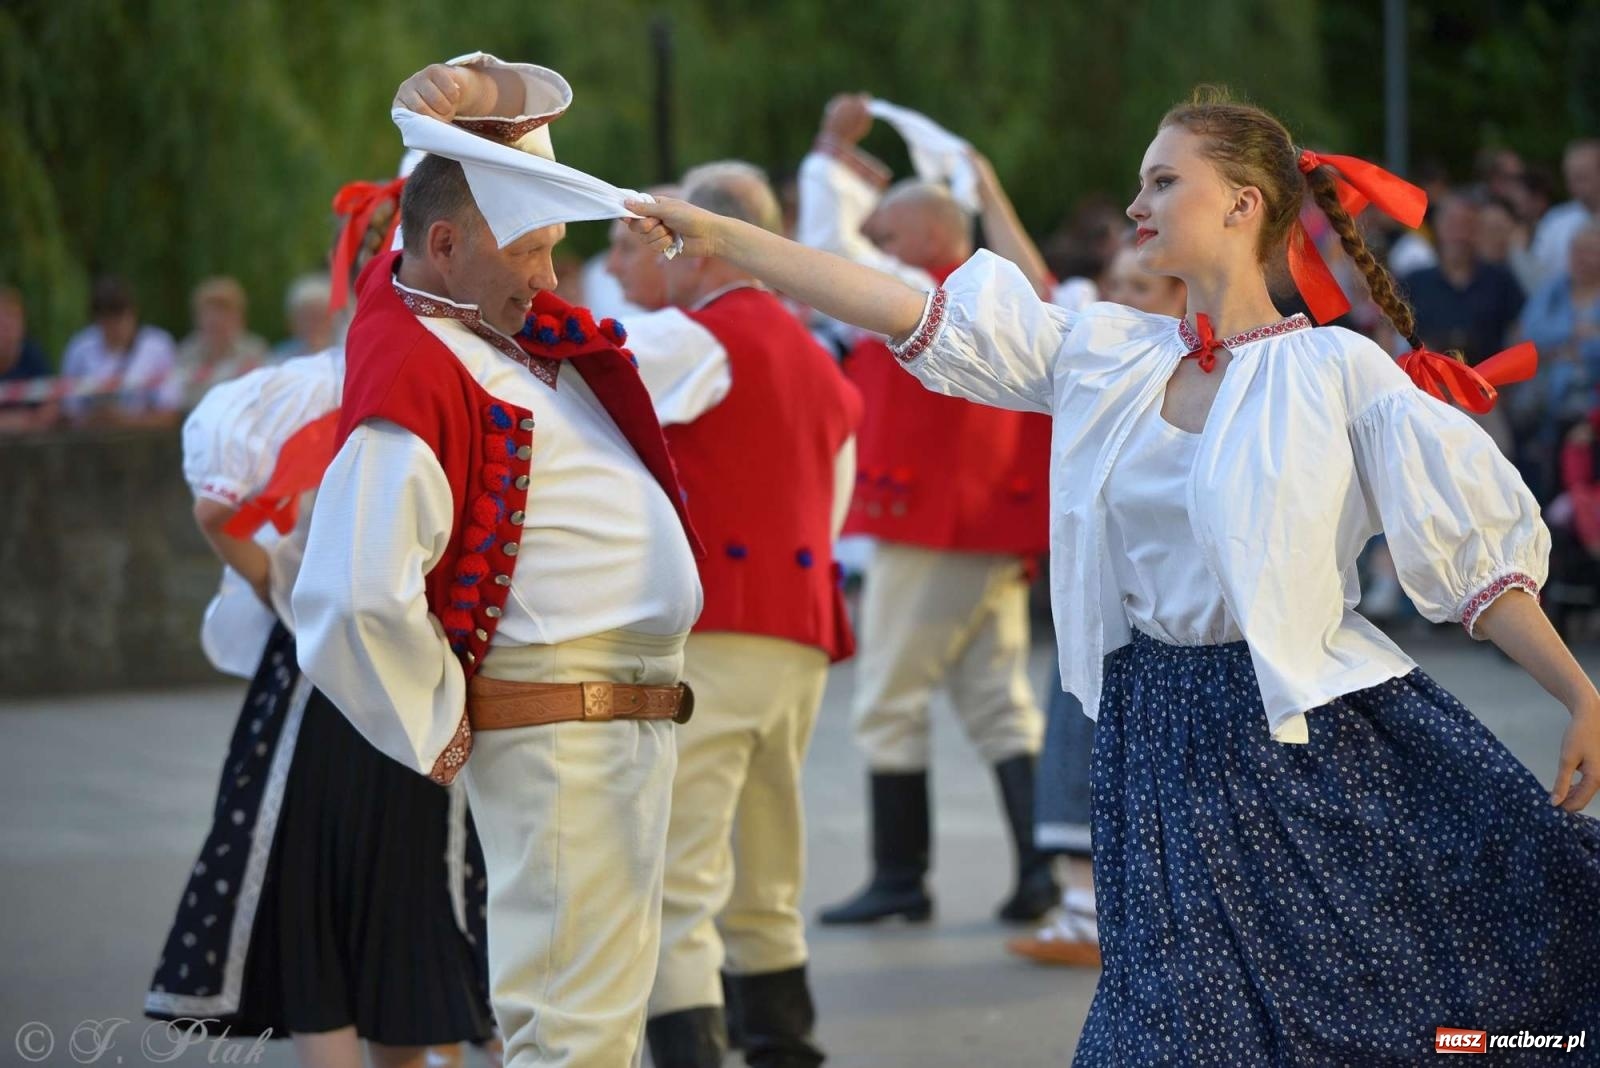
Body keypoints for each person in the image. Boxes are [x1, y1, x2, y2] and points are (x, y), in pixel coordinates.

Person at [627, 86, 1600, 1064]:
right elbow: (898, 305)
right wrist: (723, 234)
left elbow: (1471, 559)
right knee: (1167, 1026)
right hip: (1153, 728)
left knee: (1359, 1015)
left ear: (1243, 204)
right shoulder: (1107, 353)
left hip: (1301, 734)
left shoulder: (1337, 371)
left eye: (1163, 181)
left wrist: (1577, 692)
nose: (1138, 205)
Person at [293, 54, 701, 1068]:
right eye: (531, 250)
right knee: (570, 1030)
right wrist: (444, 725)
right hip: (562, 724)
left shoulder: (486, 330)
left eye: (554, 249)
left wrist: (471, 92)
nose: (551, 277)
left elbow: (481, 127)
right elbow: (351, 593)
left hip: (610, 719)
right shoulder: (418, 365)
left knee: (589, 1022)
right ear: (443, 246)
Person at [146, 175, 497, 1068]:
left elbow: (242, 537)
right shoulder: (467, 380)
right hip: (416, 683)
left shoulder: (307, 397)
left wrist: (250, 552)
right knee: (414, 919)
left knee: (324, 930)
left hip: (316, 685)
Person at [797, 94, 1056, 927]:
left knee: (888, 701)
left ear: (928, 238)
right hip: (989, 526)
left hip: (932, 526)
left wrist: (829, 158)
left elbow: (827, 252)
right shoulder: (992, 299)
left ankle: (901, 877)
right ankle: (1039, 872)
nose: (875, 243)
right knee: (995, 699)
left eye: (889, 232)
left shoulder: (922, 295)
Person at [1005, 243, 1188, 969]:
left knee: (1114, 742)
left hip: (1171, 596)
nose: (1122, 294)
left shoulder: (1207, 360)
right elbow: (1033, 289)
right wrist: (985, 190)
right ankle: (1088, 909)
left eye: (1142, 284)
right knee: (1078, 725)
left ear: (1181, 295)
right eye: (1116, 281)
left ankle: (1105, 914)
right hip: (1101, 583)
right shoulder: (1099, 346)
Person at [59, 275, 182, 427]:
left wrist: (125, 421)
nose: (115, 328)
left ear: (133, 313)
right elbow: (68, 411)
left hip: (145, 438)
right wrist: (94, 419)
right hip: (92, 437)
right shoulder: (80, 348)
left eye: (119, 318)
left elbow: (170, 413)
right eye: (107, 321)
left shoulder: (157, 346)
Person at [175, 276, 270, 408]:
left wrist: (205, 380)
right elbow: (178, 398)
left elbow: (261, 396)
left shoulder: (254, 349)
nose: (215, 319)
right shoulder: (188, 350)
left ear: (239, 316)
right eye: (208, 311)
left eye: (223, 311)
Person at [1528, 138, 1600, 287]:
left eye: (1581, 177)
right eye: (1570, 177)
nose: (1573, 185)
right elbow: (1537, 274)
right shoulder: (1554, 222)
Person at [0, 285, 59, 432]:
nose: (6, 331)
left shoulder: (33, 356)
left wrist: (29, 422)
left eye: (11, 322)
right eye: (2, 324)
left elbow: (52, 407)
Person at [273, 273, 336, 360]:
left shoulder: (345, 350)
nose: (312, 324)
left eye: (318, 316)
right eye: (305, 318)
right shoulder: (280, 356)